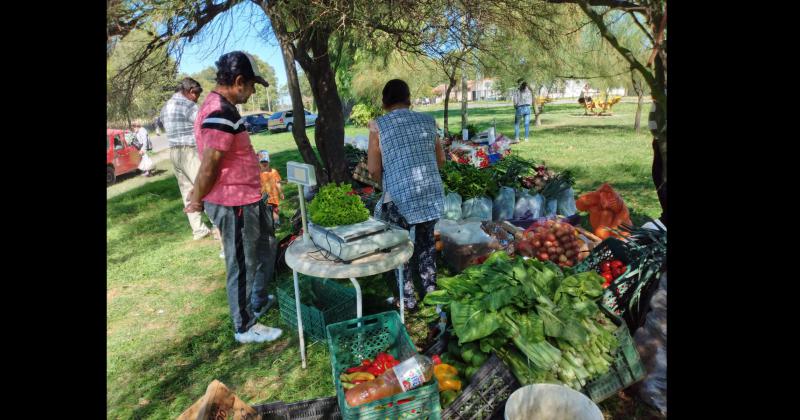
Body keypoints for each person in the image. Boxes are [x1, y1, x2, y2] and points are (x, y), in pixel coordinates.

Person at [185, 51, 281, 344]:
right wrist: (197, 198)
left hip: (249, 197)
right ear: (239, 82)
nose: (252, 93)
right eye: (251, 87)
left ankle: (258, 299)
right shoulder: (220, 112)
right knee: (241, 263)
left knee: (266, 246)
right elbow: (211, 163)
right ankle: (244, 326)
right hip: (233, 202)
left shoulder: (223, 108)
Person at [367, 79, 446, 312]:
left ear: (384, 101)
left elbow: (373, 168)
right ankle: (431, 292)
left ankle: (408, 299)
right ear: (409, 98)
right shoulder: (428, 121)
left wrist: (386, 185)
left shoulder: (377, 125)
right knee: (426, 243)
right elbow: (441, 160)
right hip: (429, 192)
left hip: (398, 197)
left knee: (399, 247)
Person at [160, 78, 218, 241]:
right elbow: (204, 125)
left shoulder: (166, 106)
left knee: (186, 191)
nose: (198, 98)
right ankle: (218, 225)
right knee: (205, 187)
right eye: (197, 94)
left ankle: (198, 230)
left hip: (174, 153)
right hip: (189, 152)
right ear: (191, 91)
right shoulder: (188, 105)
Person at [257, 150, 284, 226]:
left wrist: (281, 192)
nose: (264, 163)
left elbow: (278, 183)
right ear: (259, 163)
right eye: (262, 162)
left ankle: (276, 223)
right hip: (263, 197)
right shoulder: (258, 173)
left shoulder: (274, 172)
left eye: (266, 161)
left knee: (275, 210)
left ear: (269, 161)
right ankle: (267, 223)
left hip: (274, 196)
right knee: (265, 210)